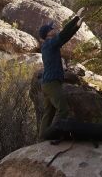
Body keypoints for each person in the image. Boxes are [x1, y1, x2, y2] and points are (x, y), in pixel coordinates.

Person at [37, 7, 87, 140]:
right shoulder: (49, 44)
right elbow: (64, 35)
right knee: (63, 109)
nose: (54, 29)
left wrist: (76, 27)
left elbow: (64, 37)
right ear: (48, 34)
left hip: (47, 84)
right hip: (52, 84)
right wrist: (76, 18)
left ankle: (41, 138)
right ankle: (53, 134)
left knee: (49, 112)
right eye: (51, 28)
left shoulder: (49, 45)